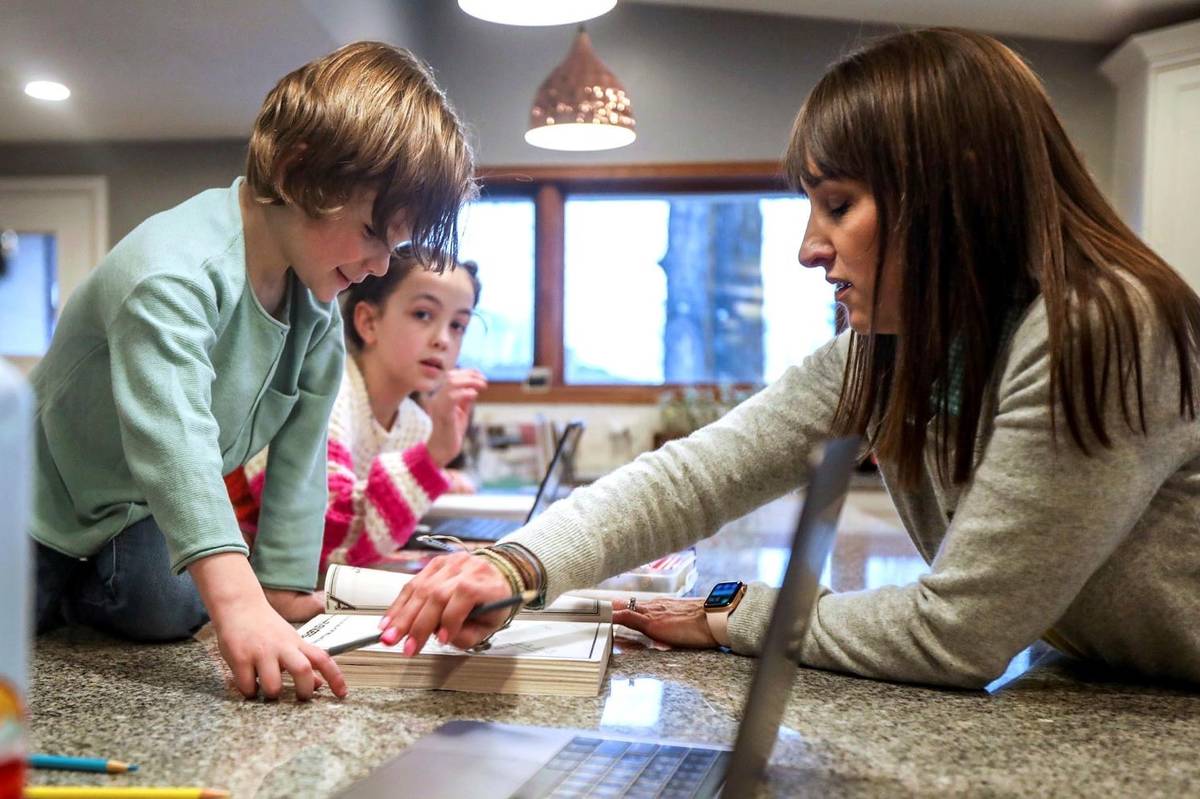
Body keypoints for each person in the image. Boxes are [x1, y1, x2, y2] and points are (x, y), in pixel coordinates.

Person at [373, 27, 1200, 687]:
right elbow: (697, 474)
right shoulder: (887, 353)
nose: (810, 247)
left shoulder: (1096, 324)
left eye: (839, 205)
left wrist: (727, 611)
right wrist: (515, 561)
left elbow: (958, 635)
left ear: (955, 190)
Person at [30, 41, 476, 701]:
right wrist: (238, 604)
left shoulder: (316, 308)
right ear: (302, 174)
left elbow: (300, 463)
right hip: (36, 502)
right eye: (374, 233)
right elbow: (175, 445)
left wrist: (283, 591)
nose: (383, 266)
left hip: (127, 513)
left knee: (172, 607)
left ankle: (83, 589)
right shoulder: (172, 272)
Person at [227, 247, 486, 570]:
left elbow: (371, 537)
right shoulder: (327, 392)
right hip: (226, 570)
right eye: (423, 314)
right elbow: (319, 539)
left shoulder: (415, 422)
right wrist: (431, 458)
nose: (443, 340)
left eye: (458, 325)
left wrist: (436, 464)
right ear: (368, 322)